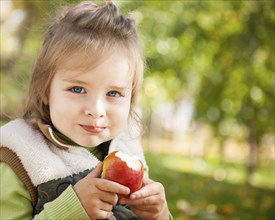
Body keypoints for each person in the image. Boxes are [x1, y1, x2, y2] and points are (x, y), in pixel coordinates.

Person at [0, 1, 171, 219]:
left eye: (114, 93)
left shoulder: (128, 151)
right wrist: (72, 210)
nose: (96, 110)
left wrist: (160, 214)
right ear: (45, 90)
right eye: (78, 89)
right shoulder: (19, 157)